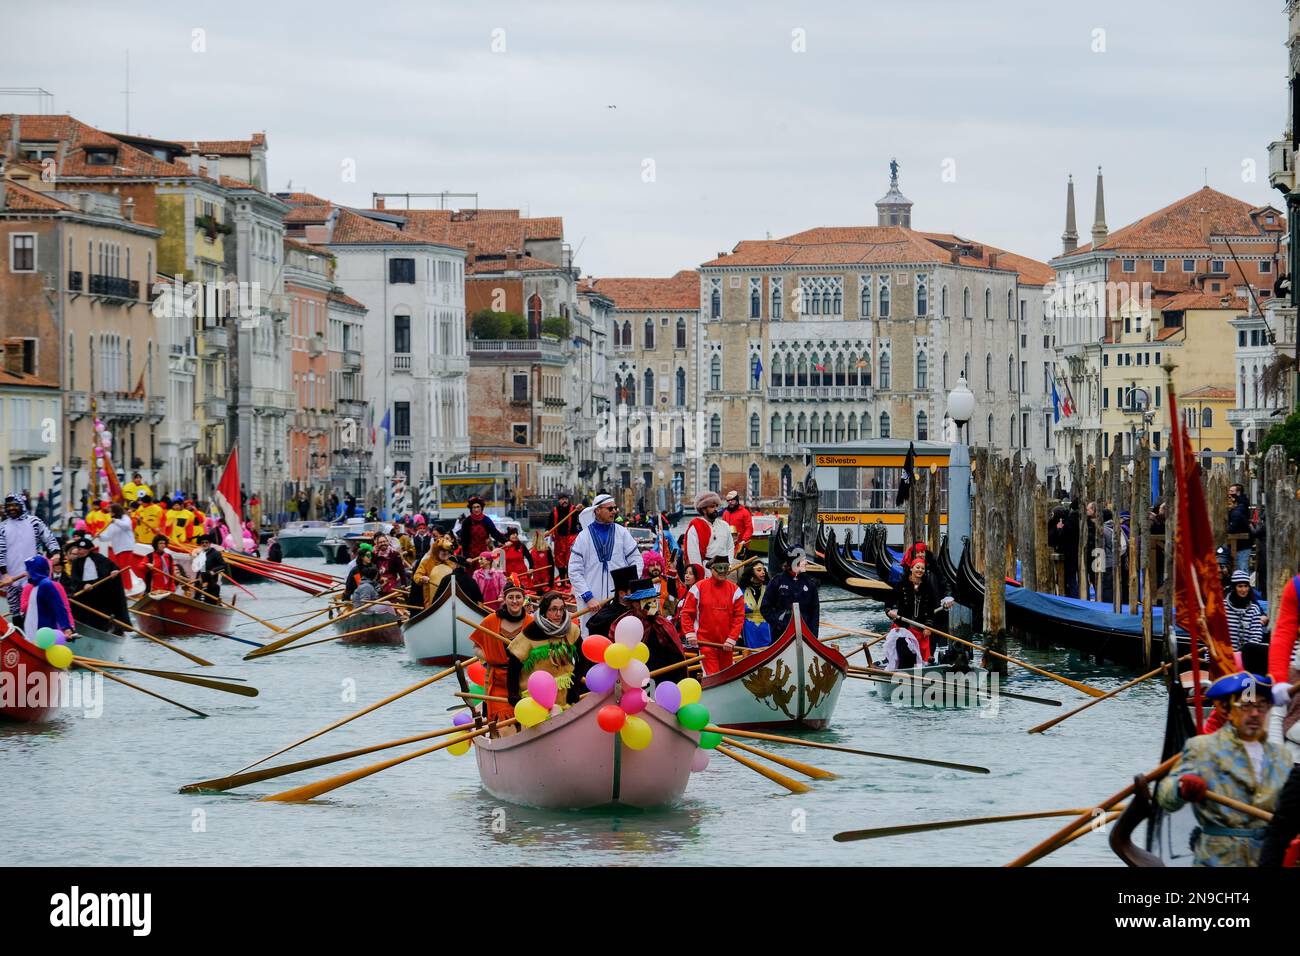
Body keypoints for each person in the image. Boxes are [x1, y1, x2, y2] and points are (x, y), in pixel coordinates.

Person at [1156, 671, 1289, 866]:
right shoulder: (1203, 748)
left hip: (1268, 857)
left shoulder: (1281, 756)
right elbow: (1164, 796)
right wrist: (1180, 788)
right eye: (1246, 706)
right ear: (1225, 710)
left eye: (1261, 706)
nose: (1255, 714)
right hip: (1219, 858)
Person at [568, 493, 642, 633]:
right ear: (597, 510)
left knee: (619, 634)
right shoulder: (583, 537)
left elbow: (636, 560)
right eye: (610, 509)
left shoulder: (622, 533)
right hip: (591, 600)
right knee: (590, 635)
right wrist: (588, 597)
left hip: (619, 598)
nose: (614, 511)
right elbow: (574, 571)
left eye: (615, 508)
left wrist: (628, 586)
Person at [508, 589, 581, 708]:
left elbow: (582, 661)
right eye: (553, 609)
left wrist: (575, 687)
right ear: (544, 611)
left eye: (562, 609)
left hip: (564, 693)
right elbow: (513, 668)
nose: (559, 614)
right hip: (536, 698)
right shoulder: (530, 633)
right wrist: (513, 694)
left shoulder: (572, 630)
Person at [473, 583, 533, 723]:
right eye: (510, 597)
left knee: (526, 721)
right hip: (499, 681)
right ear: (504, 599)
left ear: (523, 599)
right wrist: (489, 657)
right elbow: (476, 647)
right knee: (505, 725)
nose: (514, 601)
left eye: (518, 597)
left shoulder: (532, 623)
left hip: (524, 680)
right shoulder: (490, 621)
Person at [679, 549, 745, 674]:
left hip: (727, 645)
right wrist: (690, 634)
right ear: (711, 569)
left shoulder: (735, 591)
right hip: (706, 644)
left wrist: (731, 638)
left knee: (727, 676)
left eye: (725, 568)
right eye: (719, 568)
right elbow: (687, 613)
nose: (722, 571)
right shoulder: (698, 588)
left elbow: (739, 617)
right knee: (713, 675)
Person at [0, 493, 61, 616]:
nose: (11, 508)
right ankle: (19, 634)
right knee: (15, 610)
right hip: (11, 577)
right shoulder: (2, 527)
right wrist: (5, 574)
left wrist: (56, 553)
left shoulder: (34, 522)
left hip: (34, 574)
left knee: (33, 606)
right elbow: (0, 552)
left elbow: (48, 538)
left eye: (14, 505)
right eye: (9, 506)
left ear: (21, 505)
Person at [887, 558, 953, 663]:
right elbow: (889, 602)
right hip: (902, 627)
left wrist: (928, 626)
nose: (920, 570)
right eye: (917, 567)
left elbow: (931, 610)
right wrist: (890, 611)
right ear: (911, 568)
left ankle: (920, 673)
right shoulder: (902, 585)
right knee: (905, 657)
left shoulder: (927, 587)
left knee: (922, 660)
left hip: (921, 629)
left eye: (922, 568)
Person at [64, 534, 130, 634]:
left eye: (82, 549)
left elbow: (113, 566)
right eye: (78, 548)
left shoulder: (99, 558)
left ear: (88, 549)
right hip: (85, 594)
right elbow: (75, 579)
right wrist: (83, 585)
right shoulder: (76, 562)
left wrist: (114, 571)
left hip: (100, 593)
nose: (79, 551)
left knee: (103, 612)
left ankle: (108, 628)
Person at [761, 546, 820, 636]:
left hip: (806, 631)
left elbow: (815, 611)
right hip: (781, 632)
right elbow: (765, 608)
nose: (806, 562)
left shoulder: (810, 583)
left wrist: (813, 634)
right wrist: (778, 624)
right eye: (803, 560)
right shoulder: (777, 581)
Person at [18, 554, 73, 643]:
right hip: (32, 633)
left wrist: (66, 627)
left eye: (28, 569)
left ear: (34, 570)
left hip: (43, 635)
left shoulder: (46, 585)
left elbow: (58, 606)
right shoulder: (35, 586)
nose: (26, 572)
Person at [684, 491, 733, 578]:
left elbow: (730, 547)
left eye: (716, 506)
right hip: (707, 571)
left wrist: (729, 565)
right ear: (703, 509)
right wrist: (701, 575)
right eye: (712, 507)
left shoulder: (724, 525)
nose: (715, 509)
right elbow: (694, 554)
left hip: (724, 570)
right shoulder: (695, 528)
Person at [1224, 570, 1266, 651]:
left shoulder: (1254, 609)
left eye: (1246, 586)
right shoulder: (1222, 607)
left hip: (1245, 658)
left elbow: (1256, 637)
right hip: (1225, 656)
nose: (1244, 590)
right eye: (1240, 586)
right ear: (1234, 588)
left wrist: (1242, 655)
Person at [412, 534, 457, 606]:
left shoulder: (452, 562)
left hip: (450, 600)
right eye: (442, 550)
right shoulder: (427, 562)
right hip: (431, 602)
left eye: (447, 551)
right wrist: (421, 578)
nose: (445, 553)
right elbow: (417, 576)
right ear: (437, 551)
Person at [548, 492, 582, 586]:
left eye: (566, 499)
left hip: (571, 538)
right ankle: (563, 581)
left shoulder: (574, 510)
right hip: (559, 539)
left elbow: (582, 514)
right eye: (562, 499)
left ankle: (571, 582)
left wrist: (580, 509)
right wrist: (548, 531)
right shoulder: (554, 511)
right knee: (559, 561)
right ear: (559, 501)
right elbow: (549, 526)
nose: (564, 501)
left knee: (570, 560)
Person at [739, 562, 772, 648]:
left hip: (767, 628)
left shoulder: (770, 589)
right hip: (748, 629)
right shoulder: (740, 591)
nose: (763, 572)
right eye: (759, 570)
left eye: (764, 569)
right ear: (751, 572)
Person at [190, 534, 227, 605]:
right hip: (200, 581)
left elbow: (223, 565)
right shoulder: (200, 554)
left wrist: (213, 571)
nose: (204, 544)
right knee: (197, 599)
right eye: (202, 542)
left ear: (210, 543)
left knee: (210, 600)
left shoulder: (216, 553)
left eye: (206, 542)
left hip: (211, 580)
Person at [641, 550, 679, 618]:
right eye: (652, 565)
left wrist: (672, 568)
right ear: (646, 567)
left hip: (667, 621)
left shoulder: (666, 581)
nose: (655, 567)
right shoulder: (643, 585)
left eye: (658, 564)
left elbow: (673, 605)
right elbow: (649, 611)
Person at [1228, 484, 1252, 574]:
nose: (1229, 493)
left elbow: (1234, 527)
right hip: (1239, 543)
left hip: (1243, 544)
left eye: (1232, 491)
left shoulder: (1240, 509)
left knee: (1242, 566)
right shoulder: (1239, 508)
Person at [722, 491, 754, 556]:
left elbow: (749, 528)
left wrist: (744, 540)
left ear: (737, 501)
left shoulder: (745, 512)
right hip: (728, 546)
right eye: (728, 501)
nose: (730, 502)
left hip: (741, 546)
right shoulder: (725, 512)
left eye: (732, 500)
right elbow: (723, 528)